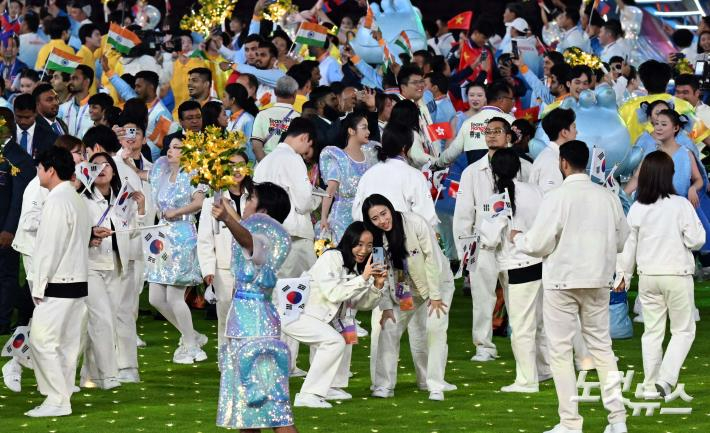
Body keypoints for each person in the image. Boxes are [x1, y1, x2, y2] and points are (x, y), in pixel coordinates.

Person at [512, 140, 628, 433]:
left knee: (561, 353)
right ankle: (617, 420)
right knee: (602, 348)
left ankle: (570, 422)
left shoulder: (557, 197)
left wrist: (517, 238)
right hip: (598, 279)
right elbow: (622, 239)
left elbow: (537, 244)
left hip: (562, 282)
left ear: (563, 163)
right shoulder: (607, 196)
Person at [616, 151, 704, 399]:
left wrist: (623, 276)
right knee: (683, 331)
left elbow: (628, 247)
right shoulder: (680, 205)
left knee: (652, 331)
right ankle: (665, 380)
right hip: (676, 274)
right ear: (670, 175)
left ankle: (650, 384)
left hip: (648, 277)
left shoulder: (637, 208)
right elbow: (697, 240)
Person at [212, 181, 297, 433]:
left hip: (254, 327)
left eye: (251, 199)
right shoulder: (268, 232)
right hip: (248, 322)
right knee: (246, 411)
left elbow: (253, 246)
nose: (246, 202)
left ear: (264, 211)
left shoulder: (265, 235)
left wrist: (227, 219)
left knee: (275, 407)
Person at [363, 194, 456, 401]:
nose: (382, 220)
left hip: (438, 283)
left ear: (390, 208)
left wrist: (435, 295)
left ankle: (434, 384)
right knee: (388, 327)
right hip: (404, 288)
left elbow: (432, 258)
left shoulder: (415, 222)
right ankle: (383, 385)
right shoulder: (376, 239)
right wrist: (386, 306)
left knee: (434, 329)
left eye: (383, 213)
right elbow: (380, 276)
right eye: (375, 218)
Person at [285, 221, 385, 408]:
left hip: (325, 319)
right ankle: (308, 394)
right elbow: (334, 293)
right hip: (297, 315)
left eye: (369, 246)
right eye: (359, 244)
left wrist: (377, 285)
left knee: (340, 336)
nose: (363, 250)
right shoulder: (331, 257)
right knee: (333, 341)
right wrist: (363, 278)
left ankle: (328, 387)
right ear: (349, 241)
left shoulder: (354, 267)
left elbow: (361, 303)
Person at [453, 117, 529, 362]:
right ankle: (483, 346)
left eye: (498, 131)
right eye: (488, 132)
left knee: (517, 297)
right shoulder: (472, 172)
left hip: (516, 244)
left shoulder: (525, 168)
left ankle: (523, 344)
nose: (492, 135)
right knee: (482, 298)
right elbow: (463, 214)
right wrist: (466, 251)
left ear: (509, 136)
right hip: (482, 245)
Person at [478, 148, 550, 392]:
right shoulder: (536, 191)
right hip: (540, 262)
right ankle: (543, 368)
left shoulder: (496, 199)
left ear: (493, 172)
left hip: (516, 266)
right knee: (538, 321)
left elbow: (488, 238)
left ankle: (527, 380)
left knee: (521, 327)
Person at [26, 146, 90, 417]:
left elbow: (49, 247)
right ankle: (60, 398)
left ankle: (56, 399)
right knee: (64, 345)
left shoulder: (57, 200)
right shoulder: (74, 197)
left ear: (50, 170)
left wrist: (39, 285)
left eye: (39, 168)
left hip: (58, 283)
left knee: (42, 341)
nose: (37, 173)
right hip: (77, 282)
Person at [78, 152, 145, 389]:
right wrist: (90, 235)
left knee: (103, 322)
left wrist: (141, 208)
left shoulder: (123, 200)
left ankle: (90, 375)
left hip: (118, 266)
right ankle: (108, 376)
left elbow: (135, 233)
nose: (102, 169)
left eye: (106, 164)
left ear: (114, 171)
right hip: (92, 266)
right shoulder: (82, 200)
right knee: (103, 320)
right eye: (95, 166)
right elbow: (75, 232)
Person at [148, 135, 208, 364]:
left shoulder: (193, 174)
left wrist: (176, 211)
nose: (171, 151)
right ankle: (191, 335)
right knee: (155, 297)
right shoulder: (162, 175)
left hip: (182, 233)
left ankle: (191, 345)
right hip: (162, 237)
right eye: (170, 146)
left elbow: (199, 202)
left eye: (178, 147)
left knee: (174, 296)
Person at [197, 150, 253, 355]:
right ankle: (226, 358)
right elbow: (204, 240)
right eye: (231, 166)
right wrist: (207, 270)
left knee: (249, 312)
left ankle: (247, 353)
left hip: (251, 265)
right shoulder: (211, 202)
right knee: (226, 314)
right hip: (224, 267)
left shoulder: (255, 198)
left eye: (241, 165)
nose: (236, 170)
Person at [319, 112, 378, 243]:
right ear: (351, 131)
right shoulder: (339, 158)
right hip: (342, 220)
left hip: (367, 216)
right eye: (364, 127)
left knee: (375, 252)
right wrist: (324, 217)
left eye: (368, 127)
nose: (368, 131)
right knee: (345, 257)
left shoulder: (371, 157)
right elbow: (330, 190)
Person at [250, 75, 300, 161]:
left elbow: (256, 146)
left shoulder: (262, 114)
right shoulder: (299, 117)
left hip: (265, 165)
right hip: (289, 167)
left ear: (275, 92)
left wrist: (265, 166)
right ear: (295, 94)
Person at [530, 108, 577, 193]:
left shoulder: (555, 156)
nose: (576, 132)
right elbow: (550, 197)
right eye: (574, 127)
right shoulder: (551, 161)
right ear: (564, 133)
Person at [13, 93, 55, 161]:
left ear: (35, 113)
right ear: (14, 113)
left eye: (27, 117)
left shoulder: (49, 137)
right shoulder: (5, 134)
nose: (22, 121)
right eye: (19, 117)